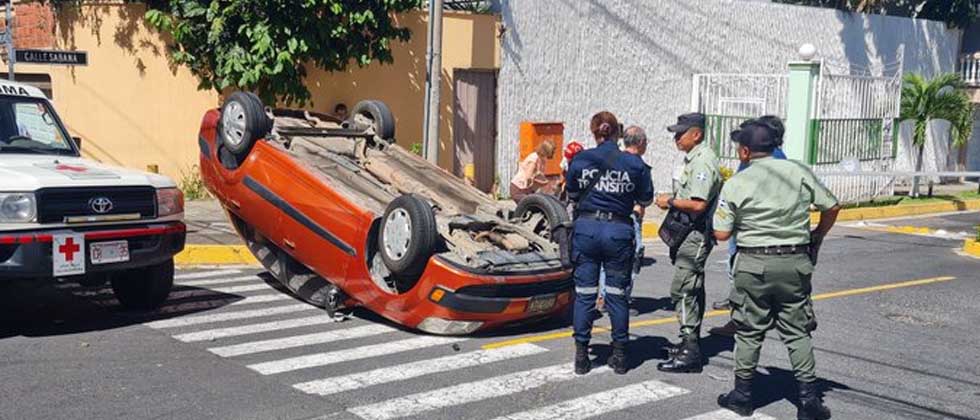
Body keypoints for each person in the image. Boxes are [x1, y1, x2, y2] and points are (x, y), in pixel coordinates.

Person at [714, 120, 840, 420]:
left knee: (748, 331)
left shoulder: (735, 183)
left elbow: (721, 234)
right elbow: (832, 206)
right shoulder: (798, 171)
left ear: (745, 151)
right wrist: (817, 235)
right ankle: (809, 402)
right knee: (797, 331)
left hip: (753, 263)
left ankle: (743, 397)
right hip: (794, 262)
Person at [566, 112, 653, 375]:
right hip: (617, 231)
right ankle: (620, 355)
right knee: (616, 295)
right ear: (617, 133)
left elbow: (572, 193)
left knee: (584, 295)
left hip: (587, 230)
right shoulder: (634, 164)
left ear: (593, 132)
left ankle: (582, 356)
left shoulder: (580, 160)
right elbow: (645, 198)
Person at [654, 112, 721, 374]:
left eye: (680, 133)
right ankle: (688, 342)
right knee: (692, 289)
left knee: (683, 289)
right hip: (687, 233)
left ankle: (690, 352)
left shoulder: (703, 161)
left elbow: (698, 204)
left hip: (695, 233)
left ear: (697, 134)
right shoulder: (694, 159)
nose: (676, 138)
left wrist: (668, 202)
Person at [709, 115, 787, 336]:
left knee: (741, 273)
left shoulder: (766, 159)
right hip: (754, 228)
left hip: (749, 229)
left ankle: (741, 320)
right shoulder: (771, 158)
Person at [596, 126, 650, 315]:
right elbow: (646, 198)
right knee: (631, 259)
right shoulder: (639, 166)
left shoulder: (613, 160)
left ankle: (603, 296)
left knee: (607, 260)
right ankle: (620, 298)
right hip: (630, 218)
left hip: (609, 219)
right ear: (641, 143)